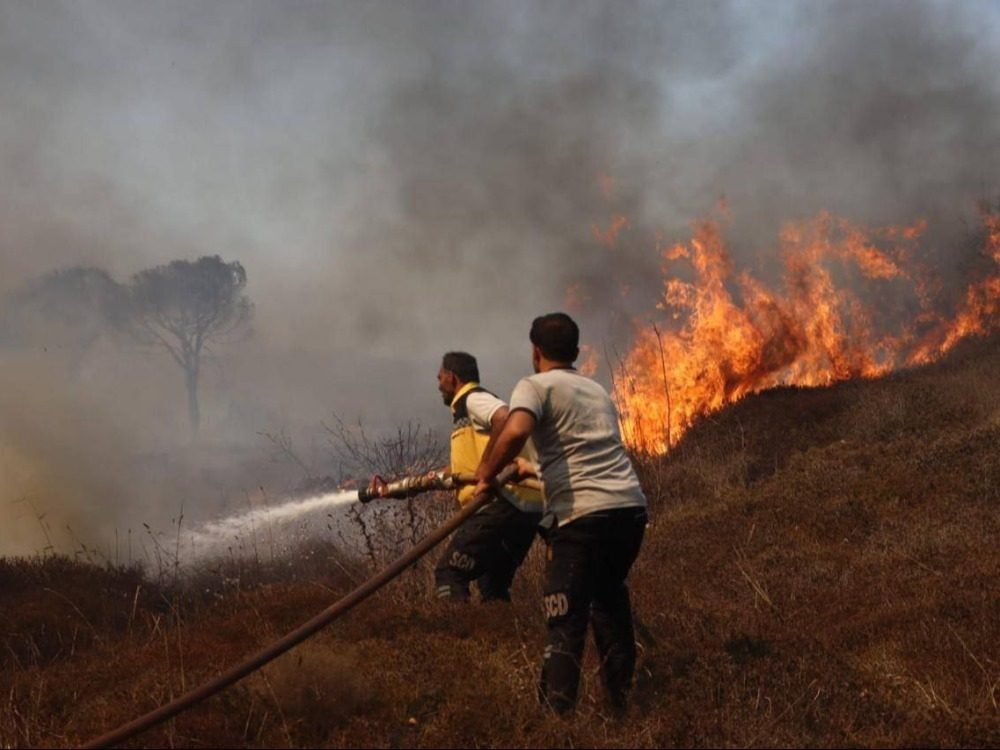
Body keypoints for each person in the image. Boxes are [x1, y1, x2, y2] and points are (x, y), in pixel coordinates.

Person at [473, 313, 648, 715]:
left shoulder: (534, 385)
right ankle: (623, 711)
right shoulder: (595, 391)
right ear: (577, 351)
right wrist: (529, 469)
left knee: (565, 618)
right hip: (628, 511)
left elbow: (515, 431)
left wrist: (486, 473)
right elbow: (586, 456)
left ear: (535, 351)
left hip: (582, 517)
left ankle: (555, 725)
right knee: (608, 602)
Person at [375, 351, 543, 602]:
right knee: (492, 584)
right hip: (524, 509)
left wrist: (487, 469)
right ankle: (498, 639)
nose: (438, 384)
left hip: (501, 501)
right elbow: (457, 473)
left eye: (440, 377)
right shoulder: (467, 419)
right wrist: (400, 488)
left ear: (452, 378)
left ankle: (459, 635)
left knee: (449, 573)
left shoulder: (473, 399)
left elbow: (505, 417)